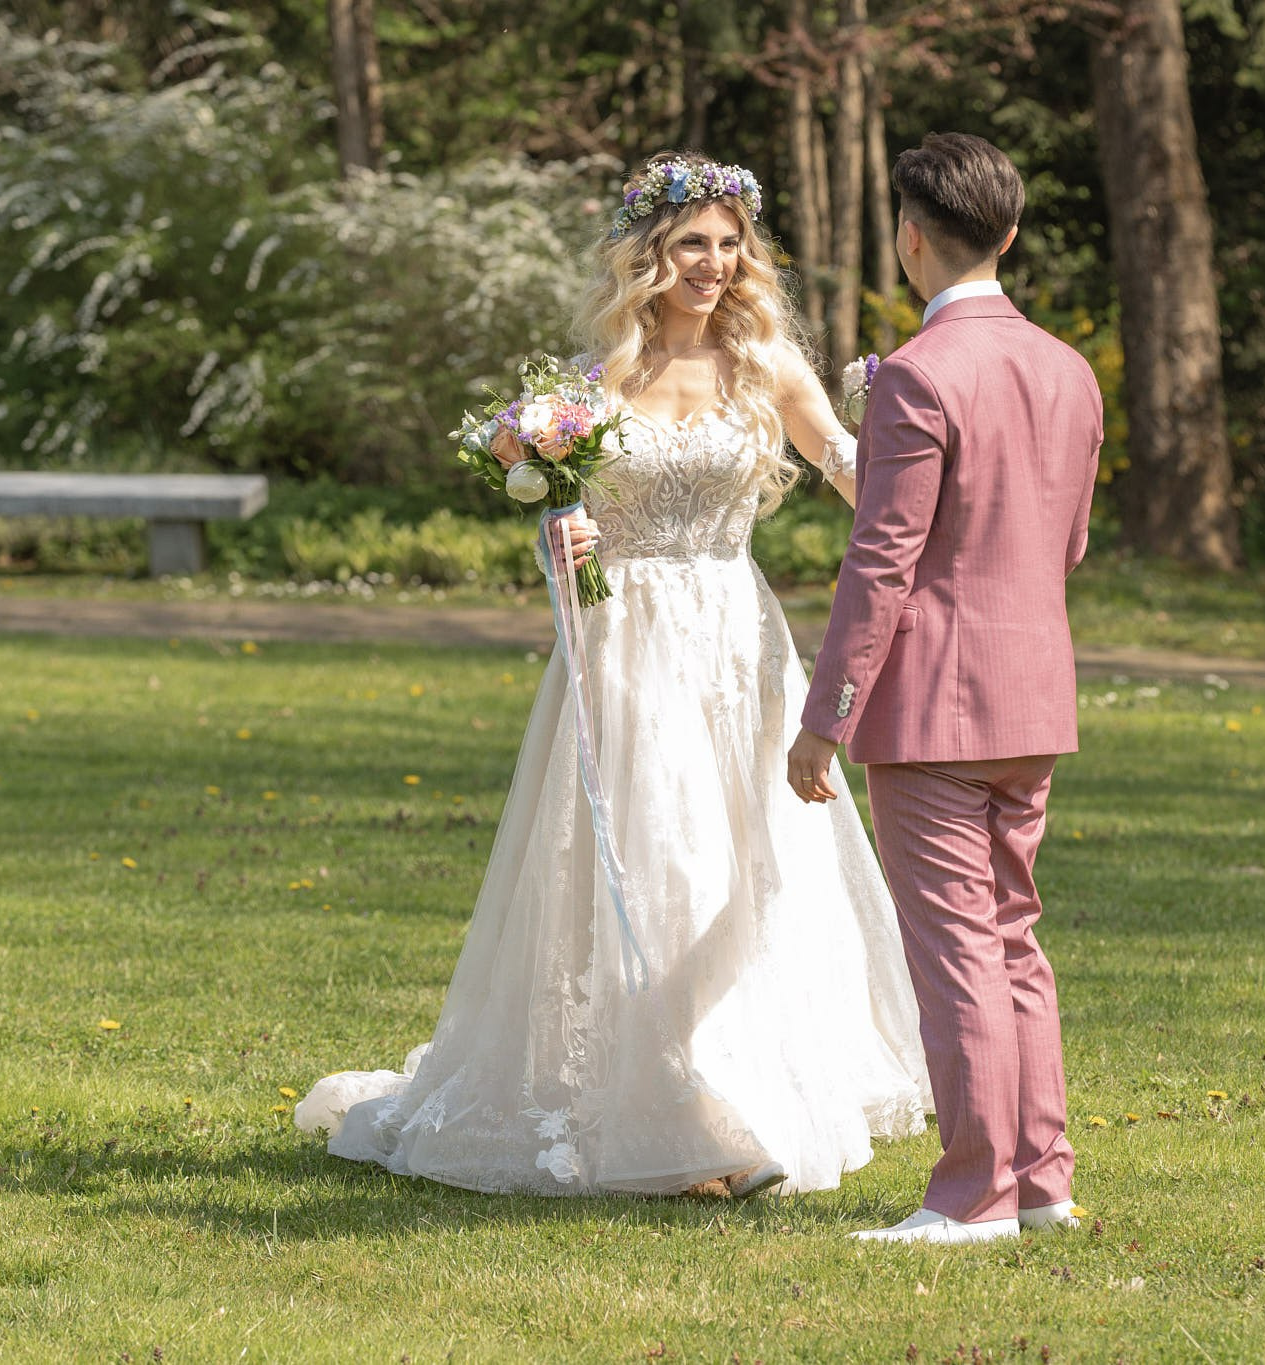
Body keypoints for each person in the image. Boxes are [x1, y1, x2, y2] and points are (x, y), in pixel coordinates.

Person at [295, 152, 931, 1198]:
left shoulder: (767, 364)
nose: (713, 266)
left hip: (735, 636)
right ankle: (683, 1115)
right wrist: (562, 526)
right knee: (653, 854)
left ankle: (742, 1084)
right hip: (625, 643)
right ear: (648, 254)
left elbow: (853, 475)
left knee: (751, 863)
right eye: (692, 246)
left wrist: (927, 451)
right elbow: (556, 502)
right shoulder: (590, 389)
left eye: (730, 247)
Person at [787, 133, 1104, 1244]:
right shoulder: (1067, 367)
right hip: (1032, 692)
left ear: (909, 240)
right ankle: (1044, 1179)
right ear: (1008, 234)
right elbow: (1062, 543)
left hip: (931, 705)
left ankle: (972, 1193)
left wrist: (823, 719)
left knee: (957, 949)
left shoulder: (919, 373)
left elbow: (881, 560)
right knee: (1013, 936)